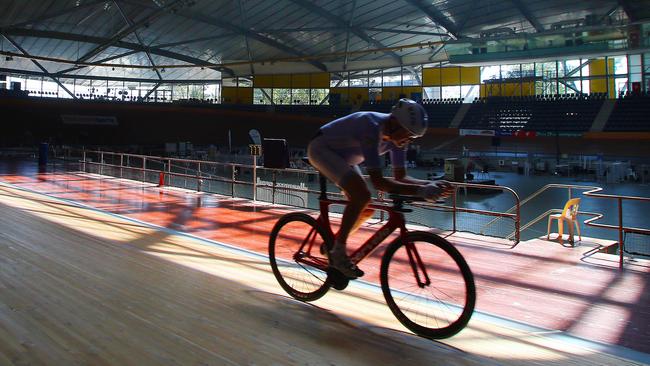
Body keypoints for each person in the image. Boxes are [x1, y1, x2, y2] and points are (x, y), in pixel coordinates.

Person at [307, 98, 454, 279]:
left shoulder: (396, 139)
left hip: (343, 158)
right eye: (407, 134)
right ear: (393, 122)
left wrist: (429, 185)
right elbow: (379, 182)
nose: (408, 141)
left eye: (412, 137)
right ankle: (338, 251)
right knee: (361, 195)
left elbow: (401, 177)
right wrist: (421, 191)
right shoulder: (371, 127)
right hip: (321, 149)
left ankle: (333, 244)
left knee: (367, 208)